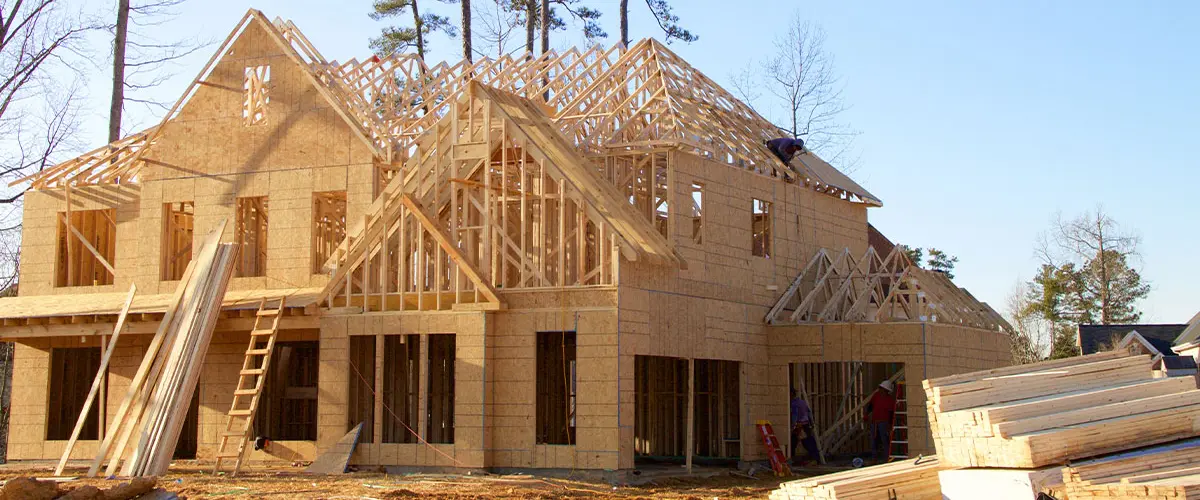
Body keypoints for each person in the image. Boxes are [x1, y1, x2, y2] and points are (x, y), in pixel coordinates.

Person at [866, 380, 897, 462]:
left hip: (884, 423)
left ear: (886, 390)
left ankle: (887, 457)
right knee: (873, 440)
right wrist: (866, 415)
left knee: (885, 440)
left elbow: (891, 413)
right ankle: (874, 458)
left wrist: (890, 424)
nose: (880, 390)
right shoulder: (876, 396)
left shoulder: (890, 400)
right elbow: (870, 406)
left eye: (882, 388)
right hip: (875, 422)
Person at [790, 389, 820, 465]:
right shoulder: (802, 402)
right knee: (807, 441)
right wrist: (811, 423)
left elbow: (794, 415)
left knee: (800, 442)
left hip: (800, 425)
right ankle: (815, 458)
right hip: (806, 424)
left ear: (791, 394)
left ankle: (815, 458)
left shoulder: (794, 404)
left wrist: (793, 426)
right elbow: (809, 412)